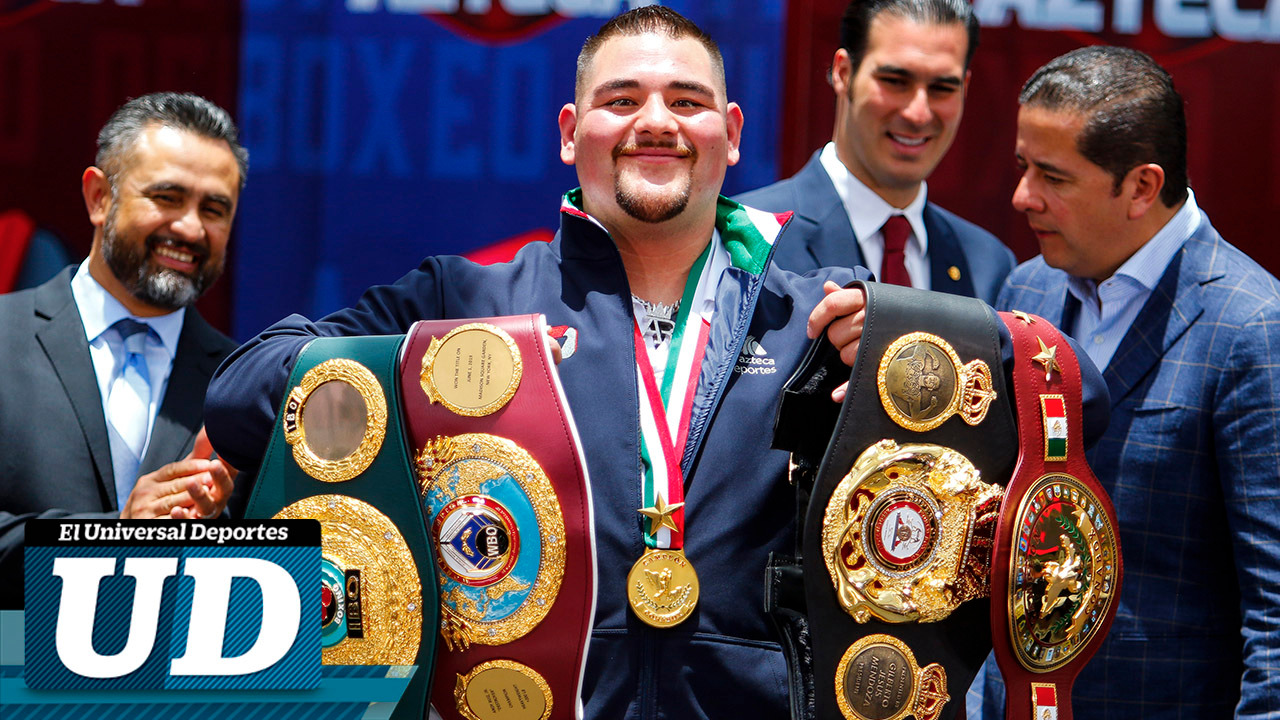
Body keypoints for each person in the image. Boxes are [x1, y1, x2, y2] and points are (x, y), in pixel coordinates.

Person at [206, 7, 872, 718]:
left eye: (687, 101)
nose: (655, 122)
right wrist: (416, 377)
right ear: (568, 133)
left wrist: (888, 358)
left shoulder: (820, 319)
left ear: (731, 134)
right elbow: (238, 399)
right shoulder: (469, 303)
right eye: (621, 101)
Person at [988, 45, 1280, 717]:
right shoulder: (1023, 290)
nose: (1021, 196)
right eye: (1021, 166)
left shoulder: (1251, 328)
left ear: (1142, 187)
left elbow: (1274, 614)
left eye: (1052, 177)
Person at [0, 92, 246, 610]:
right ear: (99, 198)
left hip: (184, 687)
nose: (190, 228)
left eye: (215, 209)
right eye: (167, 197)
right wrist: (115, 536)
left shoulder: (245, 386)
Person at [736, 0, 1014, 304]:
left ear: (965, 88)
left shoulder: (989, 266)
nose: (918, 113)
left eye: (942, 88)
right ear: (843, 73)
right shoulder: (748, 238)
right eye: (895, 81)